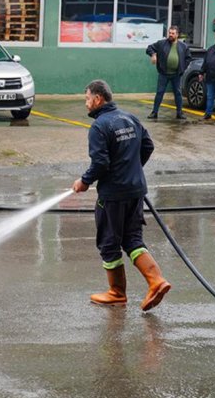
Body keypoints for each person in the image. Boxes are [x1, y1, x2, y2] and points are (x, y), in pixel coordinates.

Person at [72, 80, 171, 311]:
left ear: (98, 99)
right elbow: (148, 146)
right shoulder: (130, 118)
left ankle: (117, 293)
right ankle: (156, 281)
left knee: (109, 243)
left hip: (113, 195)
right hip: (135, 190)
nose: (86, 104)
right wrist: (131, 170)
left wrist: (84, 182)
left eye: (87, 99)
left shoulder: (99, 127)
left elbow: (100, 162)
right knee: (133, 239)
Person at [146, 26, 192, 120]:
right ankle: (154, 112)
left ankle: (179, 113)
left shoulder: (183, 46)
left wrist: (182, 68)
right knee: (159, 93)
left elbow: (188, 58)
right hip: (164, 73)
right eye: (169, 33)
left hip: (176, 74)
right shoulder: (162, 43)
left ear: (177, 35)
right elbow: (149, 48)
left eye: (173, 33)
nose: (170, 35)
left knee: (178, 93)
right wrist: (153, 54)